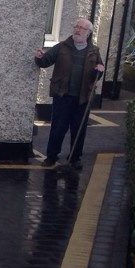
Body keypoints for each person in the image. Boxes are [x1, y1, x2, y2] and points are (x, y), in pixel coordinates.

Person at [34, 17, 105, 169]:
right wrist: (39, 58)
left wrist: (99, 71)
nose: (77, 30)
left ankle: (75, 158)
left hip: (83, 98)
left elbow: (98, 71)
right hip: (63, 95)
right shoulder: (62, 47)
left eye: (82, 28)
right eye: (76, 26)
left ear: (88, 33)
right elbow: (45, 61)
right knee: (58, 128)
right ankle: (51, 157)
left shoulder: (94, 51)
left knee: (78, 130)